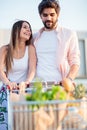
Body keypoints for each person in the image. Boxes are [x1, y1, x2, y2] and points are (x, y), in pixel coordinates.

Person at [33, 0, 80, 87]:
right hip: (38, 86)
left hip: (60, 86)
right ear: (40, 16)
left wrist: (69, 79)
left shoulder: (69, 34)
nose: (49, 18)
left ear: (58, 15)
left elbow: (75, 61)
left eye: (52, 14)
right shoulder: (34, 38)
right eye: (45, 15)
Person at [0, 20, 36, 91]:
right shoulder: (4, 49)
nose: (29, 30)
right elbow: (0, 70)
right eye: (25, 27)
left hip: (24, 89)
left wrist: (26, 82)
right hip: (8, 88)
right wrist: (8, 83)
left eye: (29, 28)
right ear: (16, 30)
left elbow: (32, 70)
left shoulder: (30, 48)